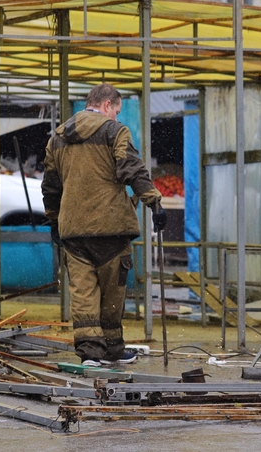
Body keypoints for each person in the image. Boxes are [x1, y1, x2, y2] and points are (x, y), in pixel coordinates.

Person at [41, 83, 167, 367]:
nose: (117, 117)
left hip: (73, 230)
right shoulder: (114, 132)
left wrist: (53, 220)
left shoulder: (57, 138)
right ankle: (112, 349)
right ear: (108, 105)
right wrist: (154, 203)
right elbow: (131, 168)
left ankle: (90, 353)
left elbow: (50, 186)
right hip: (111, 229)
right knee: (113, 291)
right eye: (117, 111)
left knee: (83, 292)